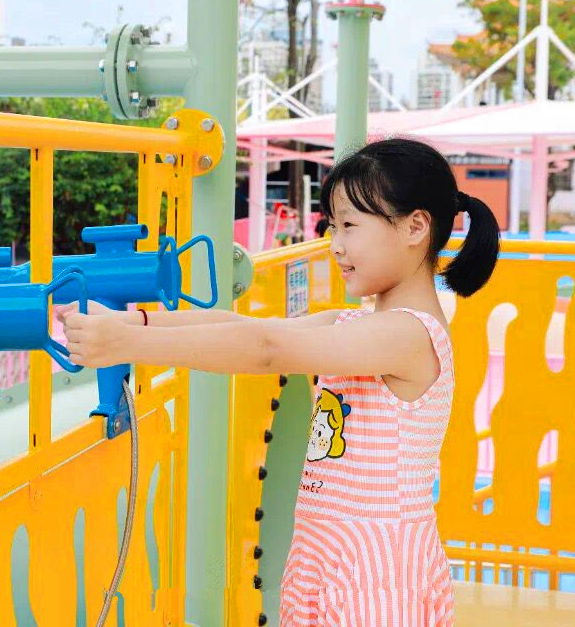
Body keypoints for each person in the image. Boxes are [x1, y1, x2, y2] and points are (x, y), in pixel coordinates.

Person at [60, 138, 501, 626]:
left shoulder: (409, 334)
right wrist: (132, 322)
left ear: (415, 226)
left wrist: (127, 345)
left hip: (376, 568)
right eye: (332, 226)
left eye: (350, 225)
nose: (335, 244)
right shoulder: (359, 325)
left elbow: (267, 349)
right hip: (326, 549)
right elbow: (245, 326)